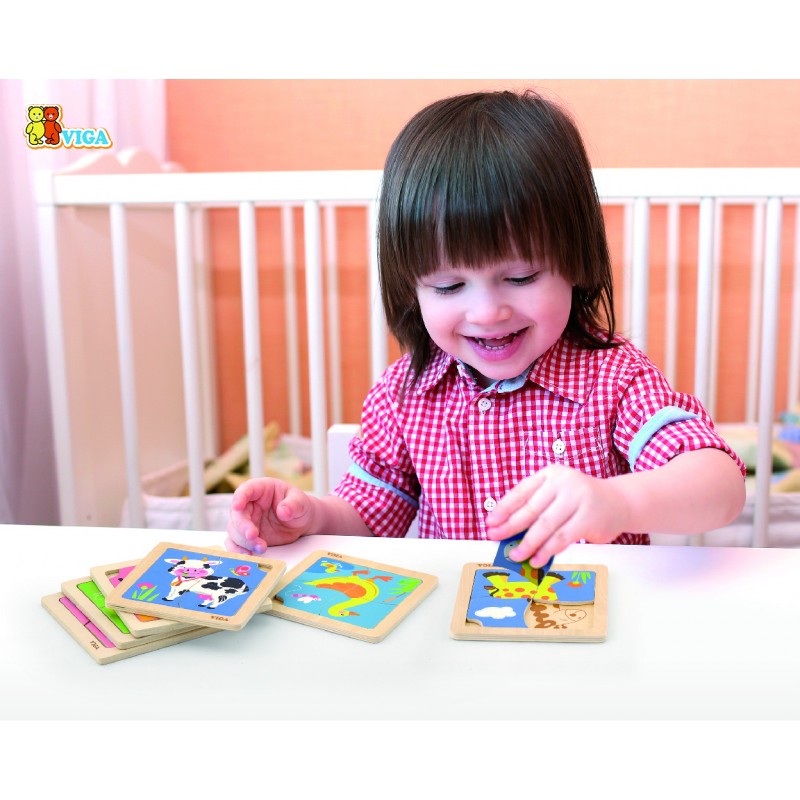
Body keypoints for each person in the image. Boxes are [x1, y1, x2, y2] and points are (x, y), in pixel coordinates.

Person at [226, 89, 745, 567]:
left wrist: (619, 500)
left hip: (593, 620)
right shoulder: (404, 394)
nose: (487, 312)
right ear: (412, 287)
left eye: (520, 277)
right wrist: (309, 518)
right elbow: (369, 513)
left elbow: (720, 485)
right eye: (449, 286)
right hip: (456, 627)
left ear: (576, 261)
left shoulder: (615, 378)